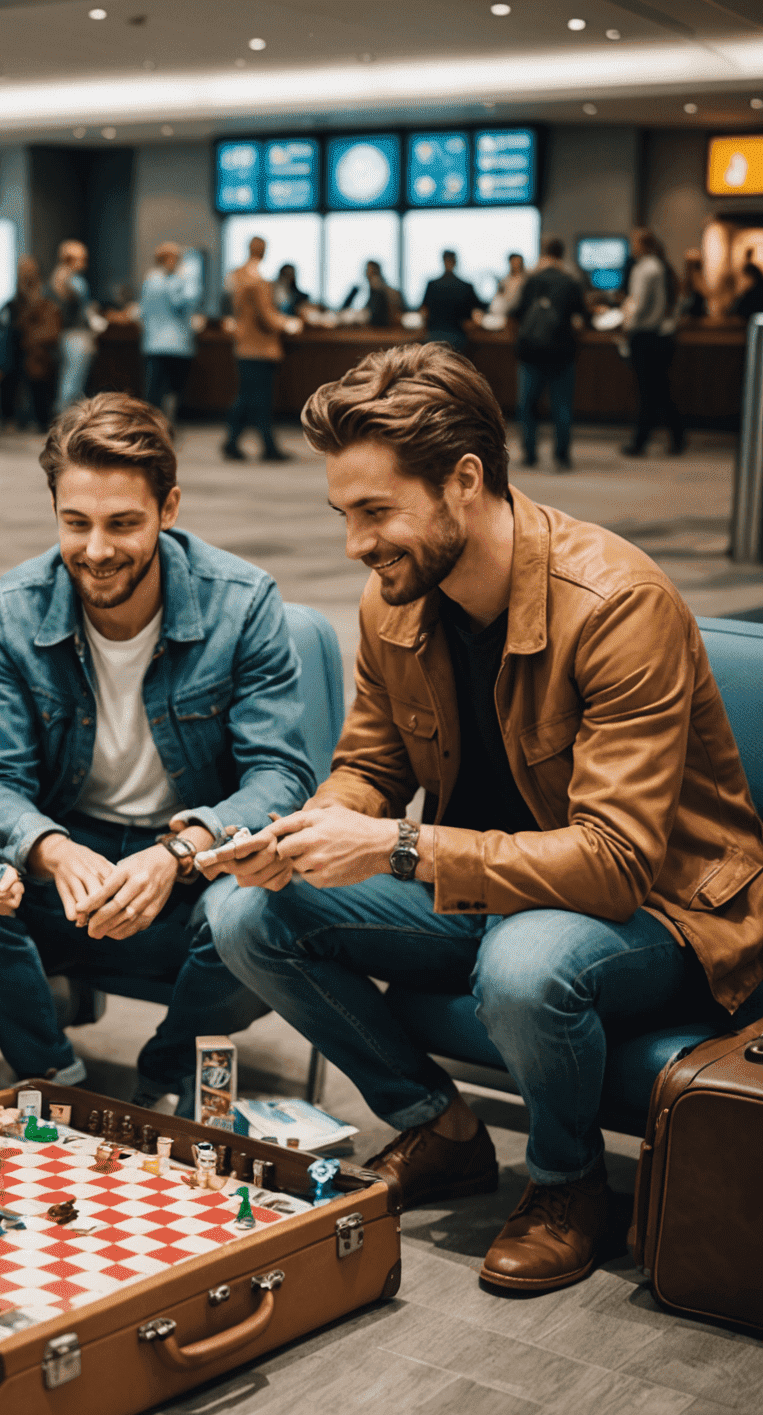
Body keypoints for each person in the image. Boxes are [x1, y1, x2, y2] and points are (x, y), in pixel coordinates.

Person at [204, 342, 763, 1295]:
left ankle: (568, 1185)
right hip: (476, 886)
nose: (356, 544)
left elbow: (615, 862)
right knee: (244, 916)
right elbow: (368, 768)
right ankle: (440, 1126)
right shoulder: (398, 602)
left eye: (376, 512)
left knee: (524, 963)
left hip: (664, 915)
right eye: (344, 514)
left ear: (465, 481)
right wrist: (306, 834)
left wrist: (398, 844)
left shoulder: (618, 603)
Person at [0, 393, 316, 1099]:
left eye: (123, 523)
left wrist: (178, 856)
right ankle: (56, 1077)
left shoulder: (242, 601)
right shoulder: (16, 606)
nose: (96, 549)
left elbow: (280, 776)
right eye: (75, 523)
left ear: (169, 508)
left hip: (192, 874)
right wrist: (53, 851)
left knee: (267, 911)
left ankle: (165, 1076)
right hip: (68, 870)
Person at [511, 236, 589, 472]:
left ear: (544, 252)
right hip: (561, 352)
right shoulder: (570, 282)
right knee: (562, 406)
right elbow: (584, 316)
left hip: (532, 352)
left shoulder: (531, 281)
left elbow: (515, 312)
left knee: (528, 405)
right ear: (562, 254)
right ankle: (562, 455)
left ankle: (530, 453)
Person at [223, 235, 298, 463]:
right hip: (261, 348)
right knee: (260, 399)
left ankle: (233, 443)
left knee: (247, 397)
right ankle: (267, 447)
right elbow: (266, 316)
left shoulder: (236, 276)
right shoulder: (257, 279)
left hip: (244, 345)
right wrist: (288, 323)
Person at [620, 227, 685, 457]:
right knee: (660, 391)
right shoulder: (661, 267)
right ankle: (676, 437)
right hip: (661, 337)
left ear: (642, 245)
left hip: (646, 337)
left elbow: (638, 304)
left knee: (649, 392)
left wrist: (626, 324)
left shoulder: (646, 269)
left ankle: (641, 441)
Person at [138, 241, 198, 419]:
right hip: (176, 345)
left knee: (154, 391)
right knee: (173, 390)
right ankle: (167, 426)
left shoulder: (149, 280)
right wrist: (183, 280)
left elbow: (143, 312)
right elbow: (180, 305)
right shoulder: (175, 280)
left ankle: (153, 427)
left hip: (153, 344)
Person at [10, 253, 62, 429]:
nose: (25, 273)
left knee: (40, 379)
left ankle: (42, 418)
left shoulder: (45, 293)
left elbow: (50, 321)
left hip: (41, 347)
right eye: (22, 270)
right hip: (25, 347)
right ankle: (25, 417)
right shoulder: (19, 296)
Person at [52, 239, 99, 411]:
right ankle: (68, 420)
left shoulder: (58, 278)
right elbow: (84, 311)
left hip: (65, 335)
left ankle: (65, 419)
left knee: (68, 378)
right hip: (77, 335)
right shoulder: (75, 281)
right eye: (81, 258)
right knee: (74, 380)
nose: (84, 262)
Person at [419, 250, 483, 350]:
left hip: (433, 337)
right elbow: (477, 313)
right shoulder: (466, 286)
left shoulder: (432, 285)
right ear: (456, 262)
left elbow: (424, 312)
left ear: (443, 261)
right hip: (458, 338)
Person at [487, 253, 527, 321]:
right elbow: (500, 295)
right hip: (503, 312)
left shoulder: (525, 280)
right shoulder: (505, 280)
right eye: (514, 262)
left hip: (517, 311)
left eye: (518, 262)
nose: (516, 264)